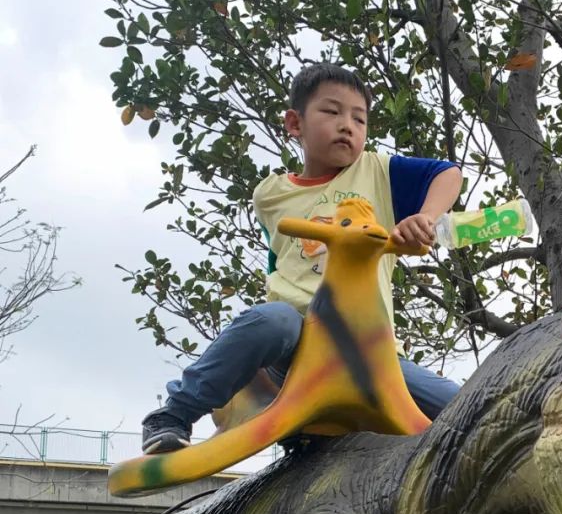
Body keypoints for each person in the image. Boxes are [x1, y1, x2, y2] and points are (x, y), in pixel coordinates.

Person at [140, 62, 464, 453]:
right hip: (297, 340)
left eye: (359, 119)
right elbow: (281, 261)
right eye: (332, 112)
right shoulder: (271, 195)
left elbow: (447, 173)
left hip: (368, 348)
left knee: (464, 406)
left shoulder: (376, 171)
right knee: (270, 320)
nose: (348, 125)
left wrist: (424, 218)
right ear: (295, 124)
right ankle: (174, 413)